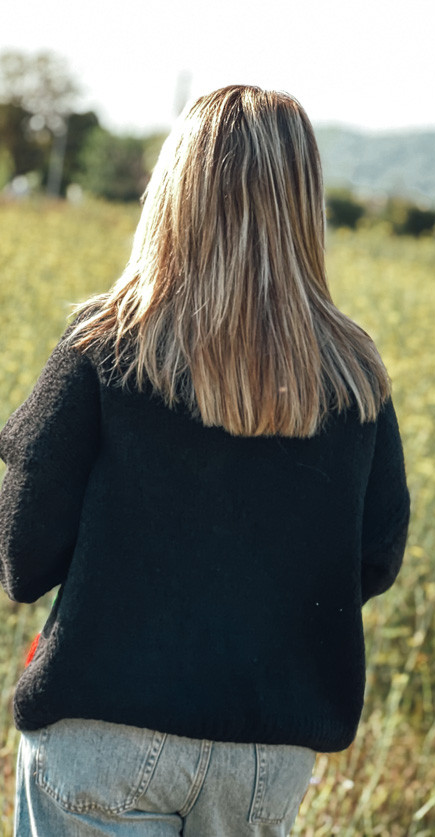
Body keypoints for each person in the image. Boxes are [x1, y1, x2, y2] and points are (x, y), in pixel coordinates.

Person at [0, 85, 410, 836]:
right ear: (304, 201)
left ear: (173, 190)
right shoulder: (357, 374)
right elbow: (376, 559)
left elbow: (23, 558)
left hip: (102, 733)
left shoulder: (104, 347)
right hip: (265, 757)